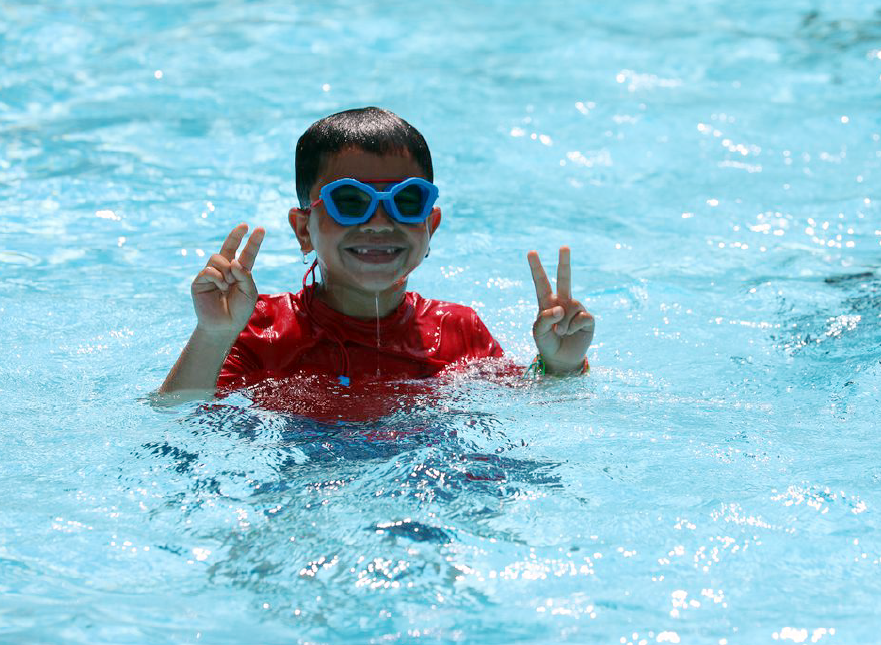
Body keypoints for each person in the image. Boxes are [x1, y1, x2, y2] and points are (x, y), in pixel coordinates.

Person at [158, 107, 594, 403]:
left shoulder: (457, 330)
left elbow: (526, 404)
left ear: (431, 226)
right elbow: (177, 418)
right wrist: (213, 334)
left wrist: (560, 365)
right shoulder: (259, 329)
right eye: (350, 200)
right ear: (303, 229)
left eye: (407, 201)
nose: (380, 222)